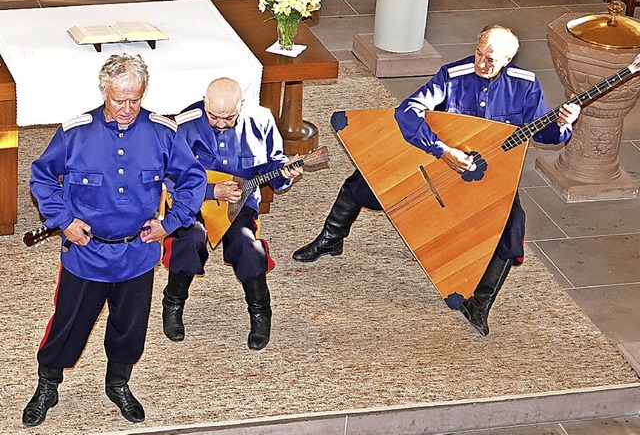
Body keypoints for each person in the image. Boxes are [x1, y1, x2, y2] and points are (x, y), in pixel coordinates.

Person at [292, 25, 581, 337]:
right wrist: (442, 150)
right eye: (479, 54)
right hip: (438, 162)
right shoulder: (453, 76)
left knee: (512, 229)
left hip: (490, 175)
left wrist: (563, 124)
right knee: (369, 177)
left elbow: (546, 133)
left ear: (509, 60)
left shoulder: (525, 87)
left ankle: (479, 303)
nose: (481, 64)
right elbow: (408, 112)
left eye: (491, 60)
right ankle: (331, 238)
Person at [23, 53, 207, 427]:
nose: (127, 108)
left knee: (130, 326)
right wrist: (63, 221)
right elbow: (42, 178)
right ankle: (48, 384)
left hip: (137, 254)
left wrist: (170, 224)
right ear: (103, 90)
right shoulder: (75, 133)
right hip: (86, 254)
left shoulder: (162, 132)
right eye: (118, 100)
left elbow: (192, 180)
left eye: (135, 100)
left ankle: (118, 383)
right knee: (68, 324)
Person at [161, 77, 302, 350]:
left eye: (229, 117)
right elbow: (168, 178)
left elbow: (275, 168)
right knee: (190, 242)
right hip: (194, 201)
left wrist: (287, 173)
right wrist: (211, 191)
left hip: (241, 201)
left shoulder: (261, 121)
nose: (222, 123)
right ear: (205, 103)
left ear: (242, 105)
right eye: (214, 117)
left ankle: (261, 312)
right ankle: (173, 302)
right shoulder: (185, 124)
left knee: (247, 246)